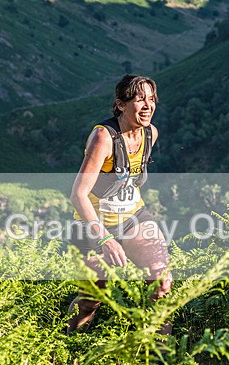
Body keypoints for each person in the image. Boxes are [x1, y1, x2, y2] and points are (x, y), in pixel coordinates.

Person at [67, 74, 171, 333]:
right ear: (121, 105)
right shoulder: (104, 138)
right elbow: (78, 194)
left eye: (151, 99)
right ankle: (70, 342)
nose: (148, 105)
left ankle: (160, 356)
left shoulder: (151, 134)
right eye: (139, 99)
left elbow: (132, 179)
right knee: (91, 302)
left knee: (162, 282)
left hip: (134, 216)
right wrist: (105, 239)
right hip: (93, 225)